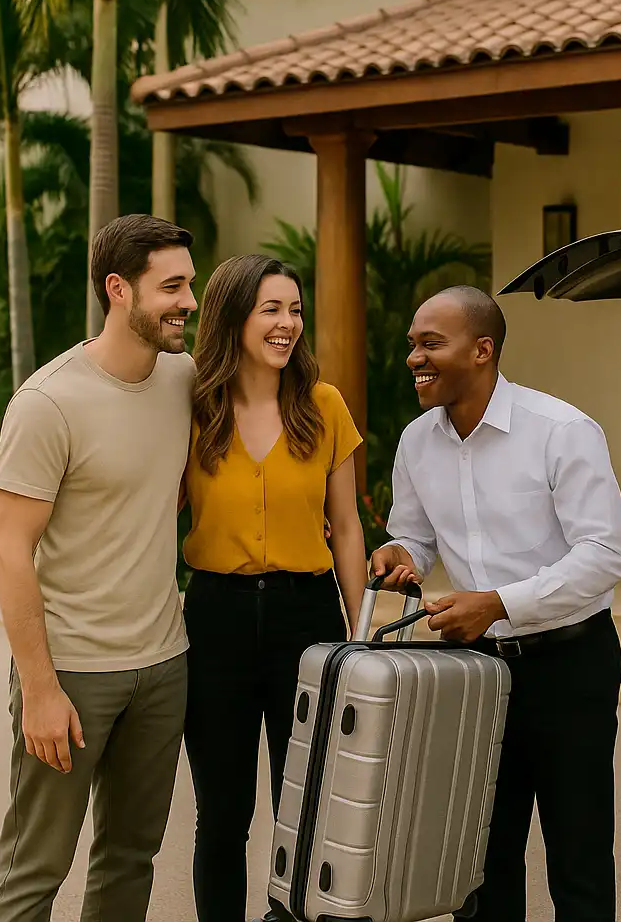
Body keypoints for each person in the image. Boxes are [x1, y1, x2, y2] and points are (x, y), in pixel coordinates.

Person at [370, 285, 621, 922]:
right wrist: (400, 555)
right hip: (477, 673)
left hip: (572, 665)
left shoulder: (563, 431)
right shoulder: (415, 442)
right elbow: (417, 536)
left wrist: (499, 603)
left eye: (431, 344)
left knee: (579, 856)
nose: (414, 359)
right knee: (480, 865)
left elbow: (604, 555)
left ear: (482, 350)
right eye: (412, 345)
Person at [0, 214, 198, 922]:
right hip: (74, 670)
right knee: (34, 867)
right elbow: (9, 550)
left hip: (163, 663)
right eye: (171, 287)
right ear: (119, 290)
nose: (189, 303)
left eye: (190, 285)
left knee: (130, 859)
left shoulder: (183, 379)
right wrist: (40, 687)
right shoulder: (48, 403)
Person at [181, 254, 367, 922]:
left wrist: (358, 636)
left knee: (309, 808)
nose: (288, 323)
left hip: (306, 618)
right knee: (223, 816)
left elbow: (346, 527)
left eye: (295, 309)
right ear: (233, 317)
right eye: (272, 309)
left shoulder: (324, 405)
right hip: (215, 624)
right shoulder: (193, 407)